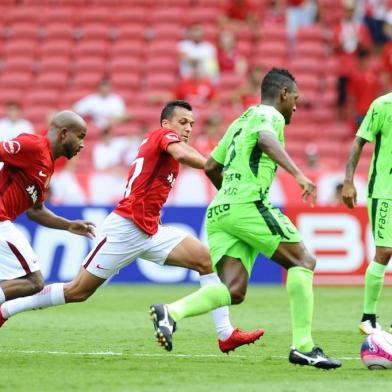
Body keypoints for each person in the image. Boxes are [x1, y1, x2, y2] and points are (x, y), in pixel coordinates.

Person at [0, 101, 263, 354]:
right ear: (165, 123)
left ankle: (225, 334)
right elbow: (184, 154)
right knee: (77, 291)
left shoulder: (167, 148)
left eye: (192, 124)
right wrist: (219, 165)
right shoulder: (162, 136)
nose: (188, 128)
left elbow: (35, 210)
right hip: (125, 227)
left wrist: (69, 225)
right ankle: (5, 311)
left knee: (207, 260)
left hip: (151, 229)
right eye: (182, 122)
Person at [151, 69, 341, 369]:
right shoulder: (270, 116)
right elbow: (266, 140)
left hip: (220, 211)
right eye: (295, 99)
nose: (295, 106)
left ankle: (171, 312)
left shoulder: (239, 121)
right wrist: (298, 174)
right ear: (282, 94)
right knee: (303, 262)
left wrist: (229, 195)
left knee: (233, 291)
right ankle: (304, 346)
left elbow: (212, 165)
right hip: (248, 203)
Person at [0, 110, 95, 305]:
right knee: (33, 281)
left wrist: (68, 225)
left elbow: (35, 211)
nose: (82, 144)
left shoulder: (47, 165)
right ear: (64, 133)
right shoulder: (33, 145)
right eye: (80, 137)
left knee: (13, 283)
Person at [342, 92, 392, 335]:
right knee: (385, 251)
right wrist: (348, 181)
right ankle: (368, 317)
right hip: (385, 192)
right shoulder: (383, 105)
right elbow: (359, 142)